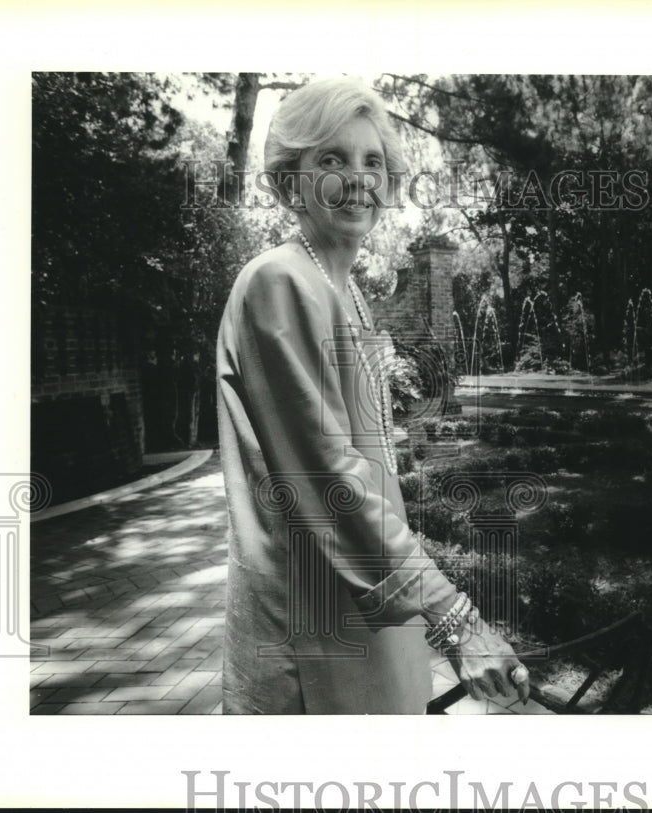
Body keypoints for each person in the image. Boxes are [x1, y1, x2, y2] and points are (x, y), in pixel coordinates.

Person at [216, 76, 529, 713]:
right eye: (331, 159)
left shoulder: (348, 293)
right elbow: (330, 474)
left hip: (370, 605)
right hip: (311, 623)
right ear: (288, 183)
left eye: (372, 161)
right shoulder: (279, 281)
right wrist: (458, 621)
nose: (358, 177)